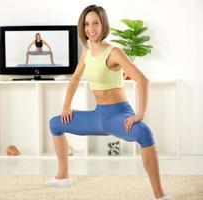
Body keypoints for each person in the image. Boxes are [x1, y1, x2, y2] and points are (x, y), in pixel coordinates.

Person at [46, 5, 169, 200]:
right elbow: (75, 78)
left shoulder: (114, 52)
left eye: (96, 22)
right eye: (87, 24)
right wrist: (66, 106)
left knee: (144, 133)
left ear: (103, 24)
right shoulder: (86, 52)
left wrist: (139, 114)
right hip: (98, 116)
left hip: (118, 115)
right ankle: (63, 176)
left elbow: (142, 80)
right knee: (55, 123)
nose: (91, 28)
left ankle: (159, 195)